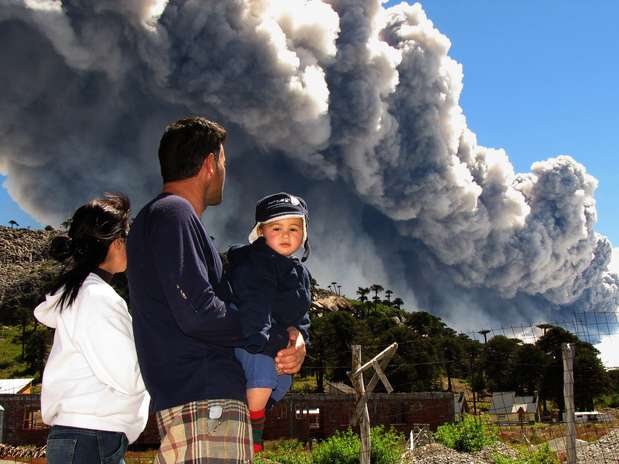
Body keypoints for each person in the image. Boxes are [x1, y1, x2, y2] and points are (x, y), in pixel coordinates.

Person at [126, 117, 306, 464]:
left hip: (196, 401)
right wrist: (274, 339)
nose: (224, 171)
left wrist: (293, 337)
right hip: (207, 404)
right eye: (223, 162)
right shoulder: (173, 214)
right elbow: (200, 313)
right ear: (209, 163)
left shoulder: (162, 218)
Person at [35, 193, 150, 464]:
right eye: (126, 236)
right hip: (92, 438)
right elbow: (129, 375)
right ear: (115, 243)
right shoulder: (97, 298)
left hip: (85, 438)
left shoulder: (83, 296)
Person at [227, 192, 312, 453]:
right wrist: (262, 342)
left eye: (293, 228)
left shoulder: (299, 273)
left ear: (304, 234)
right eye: (277, 227)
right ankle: (252, 432)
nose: (286, 235)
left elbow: (302, 316)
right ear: (261, 232)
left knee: (283, 381)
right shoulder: (254, 263)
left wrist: (300, 338)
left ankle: (254, 411)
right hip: (252, 338)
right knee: (263, 374)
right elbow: (256, 304)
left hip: (272, 340)